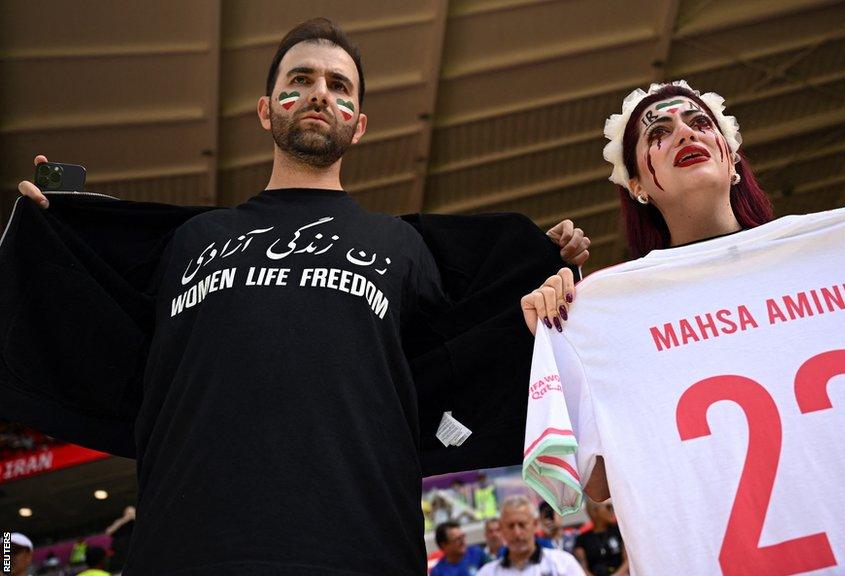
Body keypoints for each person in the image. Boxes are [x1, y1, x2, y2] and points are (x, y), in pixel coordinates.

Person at [2, 18, 587, 575]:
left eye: (339, 86)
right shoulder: (191, 239)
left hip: (361, 548)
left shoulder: (401, 246)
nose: (319, 95)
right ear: (265, 111)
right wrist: (53, 234)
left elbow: (478, 340)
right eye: (300, 81)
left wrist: (543, 267)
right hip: (187, 548)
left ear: (358, 123)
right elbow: (96, 321)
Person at [517, 80, 845, 574]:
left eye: (698, 122)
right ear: (636, 184)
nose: (685, 134)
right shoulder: (600, 311)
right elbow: (602, 482)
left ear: (733, 158)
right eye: (659, 132)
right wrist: (552, 339)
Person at [478, 496, 584, 576]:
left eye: (522, 525)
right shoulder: (487, 573)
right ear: (502, 529)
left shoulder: (562, 564)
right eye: (510, 526)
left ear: (535, 524)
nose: (517, 533)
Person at [572, 500, 626, 576]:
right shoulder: (582, 539)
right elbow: (582, 568)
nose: (612, 510)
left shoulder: (619, 530)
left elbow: (628, 560)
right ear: (595, 511)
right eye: (608, 507)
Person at [104, 505, 135, 573]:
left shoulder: (137, 524)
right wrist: (123, 520)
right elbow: (108, 532)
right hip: (120, 562)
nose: (129, 515)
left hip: (132, 560)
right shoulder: (120, 523)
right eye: (128, 513)